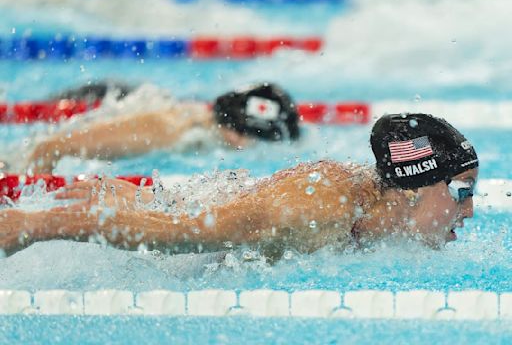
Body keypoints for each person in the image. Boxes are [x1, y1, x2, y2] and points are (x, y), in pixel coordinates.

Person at [0, 113, 478, 258]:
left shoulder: (370, 203)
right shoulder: (314, 209)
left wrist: (154, 197)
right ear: (414, 189)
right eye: (461, 191)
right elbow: (182, 235)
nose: (471, 210)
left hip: (171, 205)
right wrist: (34, 223)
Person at [19, 80, 300, 174]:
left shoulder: (198, 133)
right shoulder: (167, 129)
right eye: (246, 135)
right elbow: (50, 148)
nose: (243, 145)